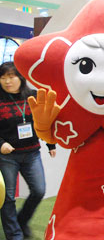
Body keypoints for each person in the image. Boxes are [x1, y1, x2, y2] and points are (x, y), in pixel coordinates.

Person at [0, 62, 56, 240]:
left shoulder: (32, 96)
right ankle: (14, 234)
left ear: (20, 77)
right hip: (7, 156)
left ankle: (21, 221)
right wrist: (0, 144)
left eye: (11, 76)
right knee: (8, 197)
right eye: (3, 77)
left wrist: (51, 144)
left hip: (32, 152)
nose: (7, 81)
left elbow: (43, 122)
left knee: (39, 190)